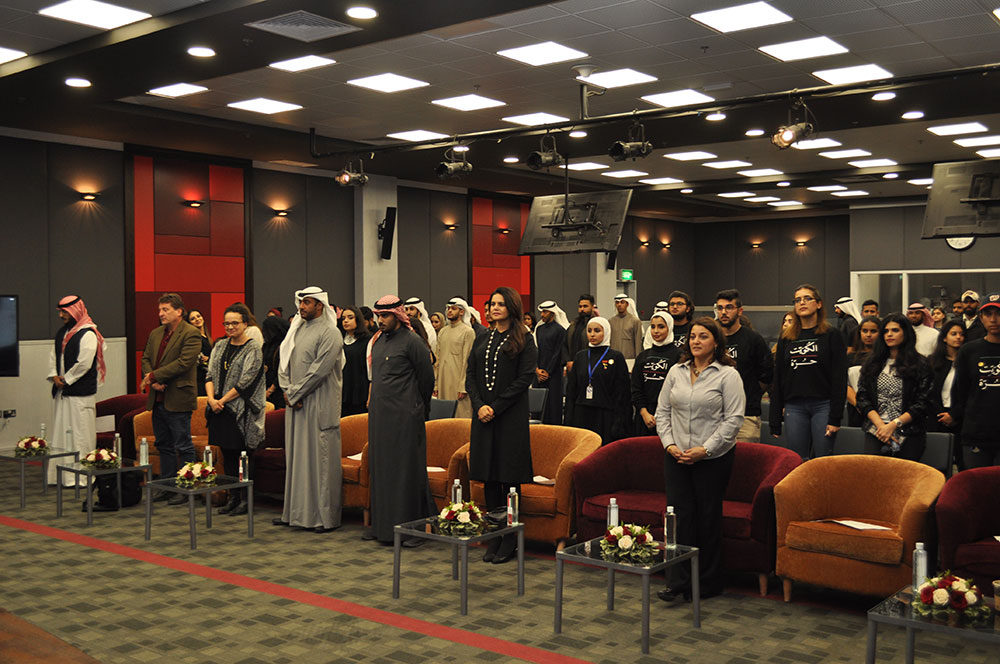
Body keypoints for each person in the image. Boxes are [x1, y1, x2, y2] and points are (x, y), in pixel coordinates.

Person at [656, 316, 745, 602]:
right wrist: (669, 444)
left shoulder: (728, 375)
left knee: (707, 519)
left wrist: (704, 450)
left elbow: (733, 420)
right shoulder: (676, 371)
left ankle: (707, 583)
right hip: (676, 456)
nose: (696, 341)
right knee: (678, 519)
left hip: (712, 459)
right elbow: (662, 412)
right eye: (692, 336)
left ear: (716, 342)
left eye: (703, 336)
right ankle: (677, 581)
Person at [466, 286, 538, 563]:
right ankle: (494, 536)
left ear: (512, 307)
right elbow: (471, 375)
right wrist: (479, 405)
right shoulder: (483, 336)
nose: (494, 308)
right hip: (483, 417)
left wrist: (495, 407)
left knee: (508, 480)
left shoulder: (524, 338)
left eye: (500, 304)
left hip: (509, 418)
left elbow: (524, 379)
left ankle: (510, 538)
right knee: (489, 478)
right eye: (492, 304)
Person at [366, 295, 436, 545]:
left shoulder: (413, 341)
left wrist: (418, 407)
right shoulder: (378, 341)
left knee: (406, 471)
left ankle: (413, 530)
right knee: (382, 469)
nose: (380, 320)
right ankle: (382, 527)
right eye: (378, 316)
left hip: (405, 416)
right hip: (380, 416)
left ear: (398, 315)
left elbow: (427, 379)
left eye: (385, 316)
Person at [274, 286, 344, 533]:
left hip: (319, 403)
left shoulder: (330, 332)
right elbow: (283, 363)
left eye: (307, 303)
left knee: (319, 461)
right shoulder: (298, 329)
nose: (301, 307)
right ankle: (294, 514)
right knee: (297, 458)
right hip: (296, 403)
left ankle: (323, 518)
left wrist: (294, 393)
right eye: (301, 302)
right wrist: (287, 390)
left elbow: (320, 370)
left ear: (320, 305)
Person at [770, 285, 848, 460]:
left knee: (823, 460)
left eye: (807, 298)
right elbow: (779, 376)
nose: (802, 303)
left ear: (818, 304)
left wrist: (835, 418)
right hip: (794, 406)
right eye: (798, 300)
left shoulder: (832, 334)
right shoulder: (786, 337)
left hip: (823, 405)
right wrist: (775, 419)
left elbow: (839, 378)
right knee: (797, 460)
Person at [140, 293, 202, 504]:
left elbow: (184, 363)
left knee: (183, 445)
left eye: (165, 309)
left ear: (179, 311)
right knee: (163, 444)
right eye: (159, 310)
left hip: (178, 396)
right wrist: (152, 380)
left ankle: (186, 488)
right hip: (158, 397)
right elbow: (146, 359)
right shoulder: (156, 333)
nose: (160, 314)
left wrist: (154, 376)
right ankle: (167, 486)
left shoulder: (191, 333)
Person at [205, 304, 266, 516]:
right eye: (227, 323)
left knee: (243, 456)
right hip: (219, 409)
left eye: (235, 323)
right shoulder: (220, 345)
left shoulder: (253, 348)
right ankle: (233, 497)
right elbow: (209, 375)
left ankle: (246, 499)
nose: (230, 327)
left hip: (241, 411)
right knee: (227, 456)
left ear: (245, 324)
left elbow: (246, 382)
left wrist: (222, 400)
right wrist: (212, 399)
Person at [47, 295, 107, 486]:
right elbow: (54, 356)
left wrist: (66, 379)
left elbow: (84, 363)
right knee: (62, 435)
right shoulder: (63, 332)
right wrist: (54, 375)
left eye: (64, 312)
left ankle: (81, 477)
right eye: (60, 312)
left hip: (81, 396)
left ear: (75, 311)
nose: (61, 316)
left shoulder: (88, 333)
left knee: (81, 436)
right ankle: (62, 476)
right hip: (63, 393)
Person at [856, 314, 934, 461]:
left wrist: (893, 425)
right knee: (872, 472)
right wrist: (881, 426)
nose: (889, 334)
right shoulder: (872, 362)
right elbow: (862, 397)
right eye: (886, 331)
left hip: (909, 431)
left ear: (906, 333)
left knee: (904, 474)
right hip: (876, 429)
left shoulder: (920, 364)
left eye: (895, 330)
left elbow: (924, 402)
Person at [714, 290, 773, 443]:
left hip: (746, 415)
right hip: (715, 415)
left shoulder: (753, 339)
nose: (724, 312)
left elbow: (767, 374)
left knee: (745, 457)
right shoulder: (712, 340)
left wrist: (751, 393)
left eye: (729, 307)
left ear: (740, 311)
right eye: (720, 308)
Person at [950, 292, 1000, 468]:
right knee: (977, 484)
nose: (993, 319)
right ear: (981, 317)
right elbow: (960, 392)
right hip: (976, 434)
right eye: (988, 314)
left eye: (998, 314)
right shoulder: (969, 351)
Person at [565, 316, 631, 446]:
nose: (592, 334)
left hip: (605, 415)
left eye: (597, 330)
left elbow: (622, 393)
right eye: (589, 331)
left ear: (606, 332)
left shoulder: (615, 357)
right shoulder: (580, 356)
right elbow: (572, 390)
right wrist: (569, 418)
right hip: (581, 414)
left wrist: (619, 421)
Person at [631, 311, 679, 435]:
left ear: (670, 328)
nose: (656, 331)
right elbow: (636, 388)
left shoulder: (679, 356)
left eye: (661, 327)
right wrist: (644, 412)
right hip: (645, 416)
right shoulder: (643, 356)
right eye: (653, 327)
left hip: (671, 416)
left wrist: (663, 415)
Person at [929, 319, 965, 470]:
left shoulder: (967, 362)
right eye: (954, 334)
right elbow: (928, 392)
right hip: (936, 417)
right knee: (936, 462)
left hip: (961, 419)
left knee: (963, 463)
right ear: (944, 337)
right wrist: (941, 414)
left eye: (961, 334)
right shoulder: (932, 362)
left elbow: (969, 393)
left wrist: (954, 415)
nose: (958, 337)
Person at [435, 297, 477, 418]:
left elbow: (468, 361)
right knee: (444, 417)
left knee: (460, 416)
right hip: (443, 381)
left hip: (458, 383)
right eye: (448, 308)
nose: (449, 311)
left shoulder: (468, 332)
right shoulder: (443, 331)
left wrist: (463, 387)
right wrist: (436, 384)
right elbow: (437, 360)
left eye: (454, 308)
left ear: (462, 312)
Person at [533, 300, 568, 425]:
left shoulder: (560, 330)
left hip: (554, 374)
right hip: (538, 374)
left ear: (552, 313)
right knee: (538, 405)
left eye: (545, 312)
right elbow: (535, 350)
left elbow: (558, 353)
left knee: (553, 405)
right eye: (542, 312)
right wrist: (537, 370)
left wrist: (548, 371)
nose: (542, 315)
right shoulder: (539, 329)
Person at [845, 316, 880, 427]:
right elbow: (844, 385)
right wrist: (860, 405)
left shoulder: (884, 357)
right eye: (865, 331)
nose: (868, 335)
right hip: (856, 409)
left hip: (881, 409)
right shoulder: (850, 358)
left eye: (873, 331)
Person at [339, 305, 371, 416]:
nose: (346, 321)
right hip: (343, 390)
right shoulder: (339, 339)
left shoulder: (367, 340)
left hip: (360, 391)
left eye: (350, 317)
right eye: (343, 318)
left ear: (358, 319)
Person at [262, 315, 290, 410]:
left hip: (279, 390)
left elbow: (283, 370)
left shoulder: (284, 347)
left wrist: (271, 390)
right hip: (265, 387)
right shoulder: (266, 346)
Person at [565, 294, 595, 372]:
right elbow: (564, 345)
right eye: (580, 306)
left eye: (585, 306)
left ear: (592, 307)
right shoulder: (573, 325)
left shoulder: (596, 324)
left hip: (590, 366)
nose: (582, 309)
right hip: (572, 366)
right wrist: (568, 361)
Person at [186, 309, 213, 396]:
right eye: (193, 319)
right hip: (200, 377)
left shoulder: (207, 337)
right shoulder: (194, 338)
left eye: (198, 316)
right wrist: (209, 359)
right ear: (189, 323)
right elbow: (200, 358)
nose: (197, 319)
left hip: (209, 376)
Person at [608, 293, 642, 360]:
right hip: (614, 358)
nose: (619, 305)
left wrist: (638, 360)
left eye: (622, 302)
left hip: (630, 358)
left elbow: (638, 343)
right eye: (617, 303)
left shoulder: (635, 321)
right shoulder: (611, 322)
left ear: (627, 304)